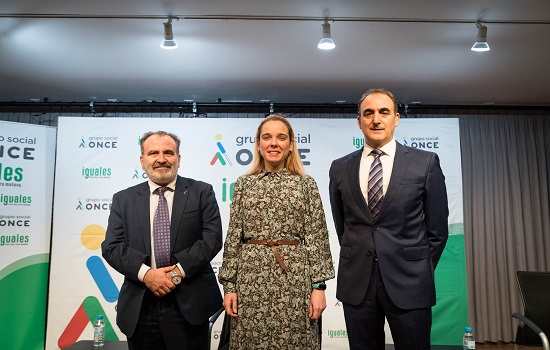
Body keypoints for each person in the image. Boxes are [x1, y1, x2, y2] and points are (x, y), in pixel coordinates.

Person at [329, 89, 449, 350]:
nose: (376, 119)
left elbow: (437, 230)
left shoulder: (425, 163)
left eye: (384, 112)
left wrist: (417, 268)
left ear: (396, 118)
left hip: (410, 283)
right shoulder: (340, 167)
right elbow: (343, 226)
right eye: (368, 113)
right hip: (358, 284)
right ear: (358, 120)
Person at [218, 114, 334, 349]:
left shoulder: (306, 184)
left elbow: (317, 237)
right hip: (250, 282)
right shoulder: (243, 184)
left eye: (281, 138)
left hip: (294, 281)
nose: (274, 143)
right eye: (267, 137)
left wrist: (318, 288)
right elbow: (233, 239)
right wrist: (229, 286)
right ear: (258, 144)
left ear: (290, 145)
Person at [102, 131, 223, 350]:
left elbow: (212, 239)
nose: (161, 158)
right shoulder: (123, 199)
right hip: (140, 306)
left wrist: (175, 274)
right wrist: (147, 275)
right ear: (142, 160)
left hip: (190, 306)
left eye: (168, 152)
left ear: (178, 158)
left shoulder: (201, 192)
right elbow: (112, 247)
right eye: (153, 153)